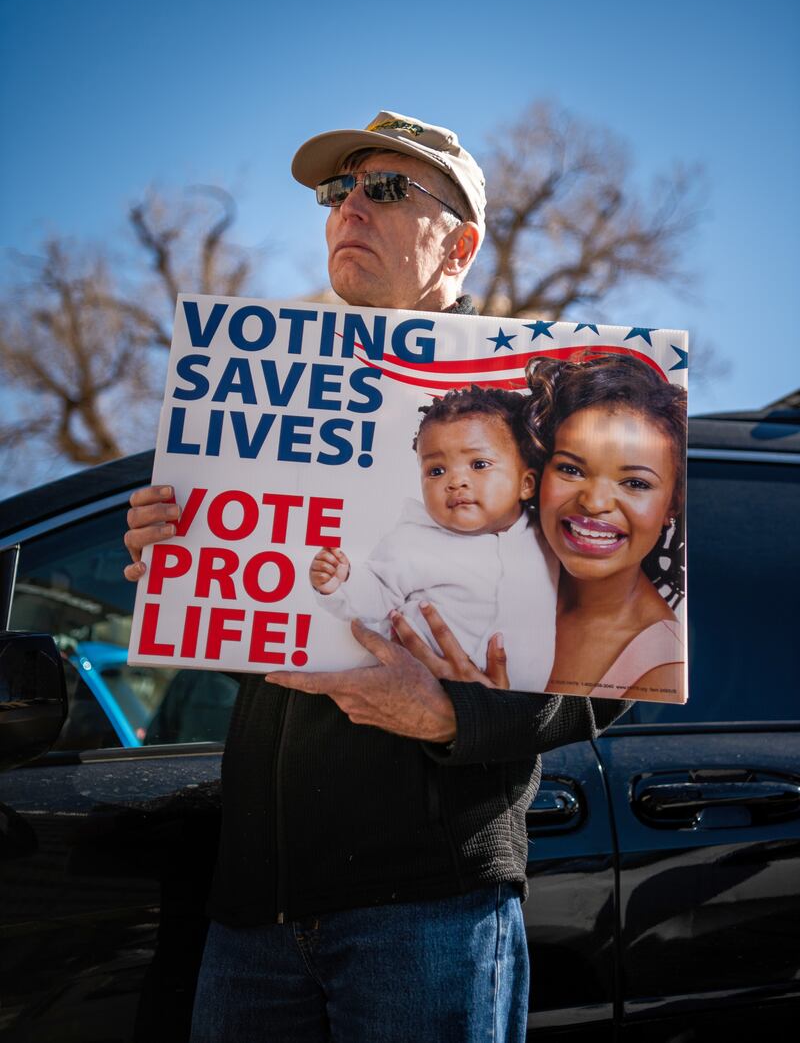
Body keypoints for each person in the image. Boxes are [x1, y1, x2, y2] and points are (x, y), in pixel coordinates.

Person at [124, 109, 630, 1043]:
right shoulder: (268, 393)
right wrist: (185, 565)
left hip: (428, 909)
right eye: (339, 189)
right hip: (249, 916)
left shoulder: (537, 409)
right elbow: (281, 642)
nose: (352, 205)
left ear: (459, 244)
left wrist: (452, 716)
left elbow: (618, 655)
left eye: (388, 188)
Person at [310, 386, 559, 691]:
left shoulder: (547, 537)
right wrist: (342, 582)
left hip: (514, 710)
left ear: (527, 484)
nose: (455, 481)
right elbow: (375, 593)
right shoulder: (413, 541)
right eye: (436, 470)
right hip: (418, 691)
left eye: (479, 464)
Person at [524, 354, 687, 702]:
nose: (595, 502)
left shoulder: (661, 664)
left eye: (636, 483)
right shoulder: (483, 577)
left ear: (672, 504)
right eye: (571, 470)